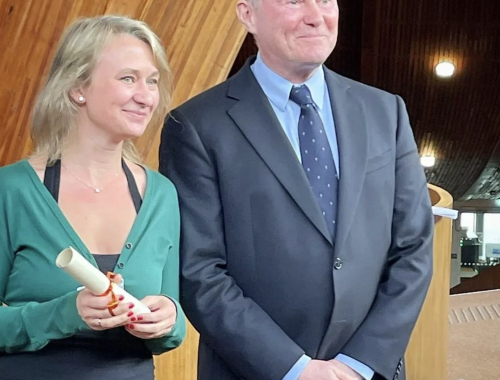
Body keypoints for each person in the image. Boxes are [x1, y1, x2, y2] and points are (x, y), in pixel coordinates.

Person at [160, 0, 434, 380]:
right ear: (247, 15)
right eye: (293, 1)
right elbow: (199, 271)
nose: (315, 15)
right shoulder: (196, 126)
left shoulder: (385, 111)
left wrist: (360, 363)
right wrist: (296, 369)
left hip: (369, 372)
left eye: (324, 0)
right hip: (256, 371)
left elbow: (414, 246)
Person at [0, 15, 186, 379]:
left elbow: (171, 327)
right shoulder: (12, 190)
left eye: (152, 81)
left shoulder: (162, 195)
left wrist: (170, 318)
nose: (146, 96)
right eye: (128, 78)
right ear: (77, 87)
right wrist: (64, 314)